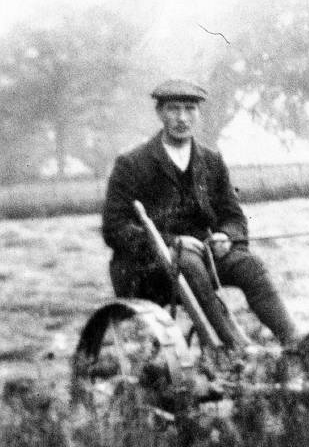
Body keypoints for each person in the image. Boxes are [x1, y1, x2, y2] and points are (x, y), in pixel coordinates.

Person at [101, 78, 298, 345]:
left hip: (204, 257)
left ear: (198, 113)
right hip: (148, 268)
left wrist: (225, 236)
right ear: (160, 113)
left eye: (189, 109)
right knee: (189, 264)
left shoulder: (211, 161)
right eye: (174, 109)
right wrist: (171, 243)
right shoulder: (132, 164)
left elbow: (234, 216)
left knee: (250, 266)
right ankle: (232, 346)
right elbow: (114, 228)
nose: (182, 118)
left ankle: (295, 343)